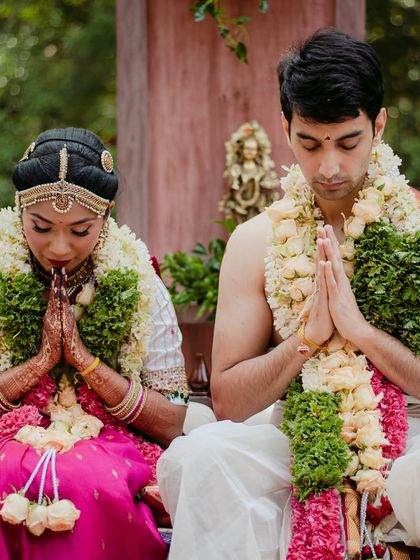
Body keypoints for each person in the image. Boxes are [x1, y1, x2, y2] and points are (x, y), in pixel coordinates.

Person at [157, 29, 420, 559]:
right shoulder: (257, 241)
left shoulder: (416, 226)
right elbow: (229, 401)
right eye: (309, 143)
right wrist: (306, 339)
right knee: (204, 455)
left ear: (379, 125)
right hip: (298, 434)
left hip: (412, 436)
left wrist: (360, 333)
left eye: (348, 142)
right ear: (285, 128)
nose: (329, 167)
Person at [0, 127, 190, 559]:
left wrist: (84, 360)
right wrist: (42, 361)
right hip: (8, 434)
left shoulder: (141, 283)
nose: (59, 247)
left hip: (112, 441)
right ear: (20, 211)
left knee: (92, 482)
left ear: (105, 219)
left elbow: (172, 420)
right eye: (41, 227)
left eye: (80, 230)